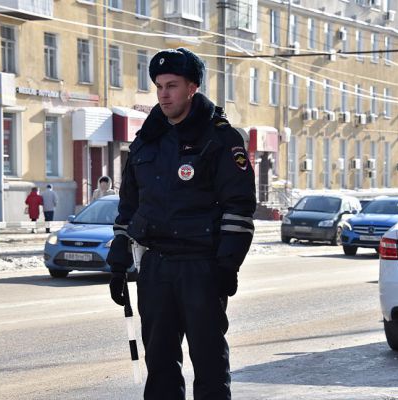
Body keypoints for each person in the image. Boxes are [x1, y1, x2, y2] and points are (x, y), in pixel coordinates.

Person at [107, 48, 256, 400]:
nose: (163, 94)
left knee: (208, 362)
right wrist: (118, 257)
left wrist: (226, 266)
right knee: (159, 364)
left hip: (201, 267)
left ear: (192, 87)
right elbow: (129, 204)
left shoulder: (220, 138)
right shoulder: (147, 140)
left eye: (172, 85)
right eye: (158, 86)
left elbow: (239, 207)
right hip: (155, 266)